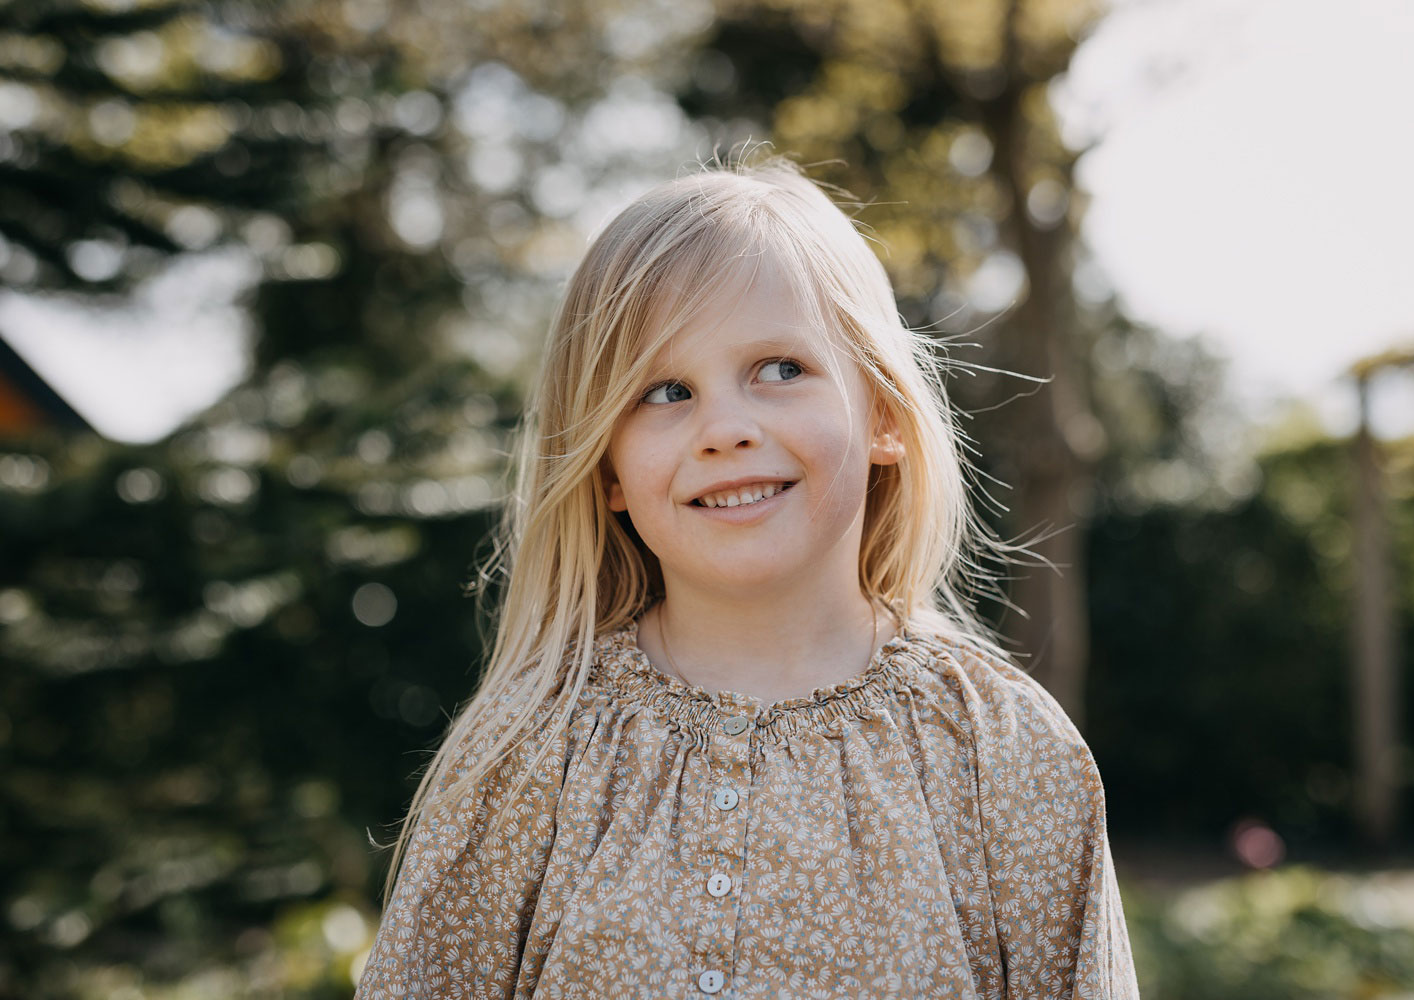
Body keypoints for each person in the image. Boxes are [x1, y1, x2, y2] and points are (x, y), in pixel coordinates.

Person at [355, 153, 1138, 999]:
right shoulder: (523, 753)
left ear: (883, 414)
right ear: (608, 469)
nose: (724, 428)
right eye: (663, 390)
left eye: (780, 369)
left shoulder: (1006, 752)